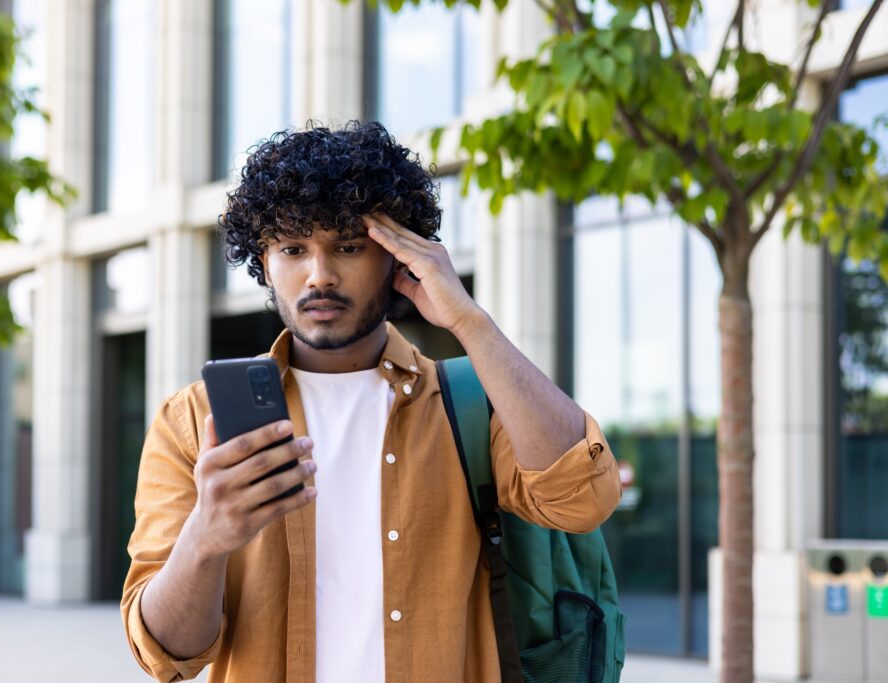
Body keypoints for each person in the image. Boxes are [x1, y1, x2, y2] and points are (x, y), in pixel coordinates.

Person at [121, 121, 621, 683]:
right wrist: (206, 538)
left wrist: (469, 321)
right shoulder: (191, 422)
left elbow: (584, 499)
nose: (320, 275)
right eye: (292, 248)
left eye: (349, 246)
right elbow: (164, 654)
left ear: (398, 258)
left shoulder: (470, 404)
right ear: (264, 264)